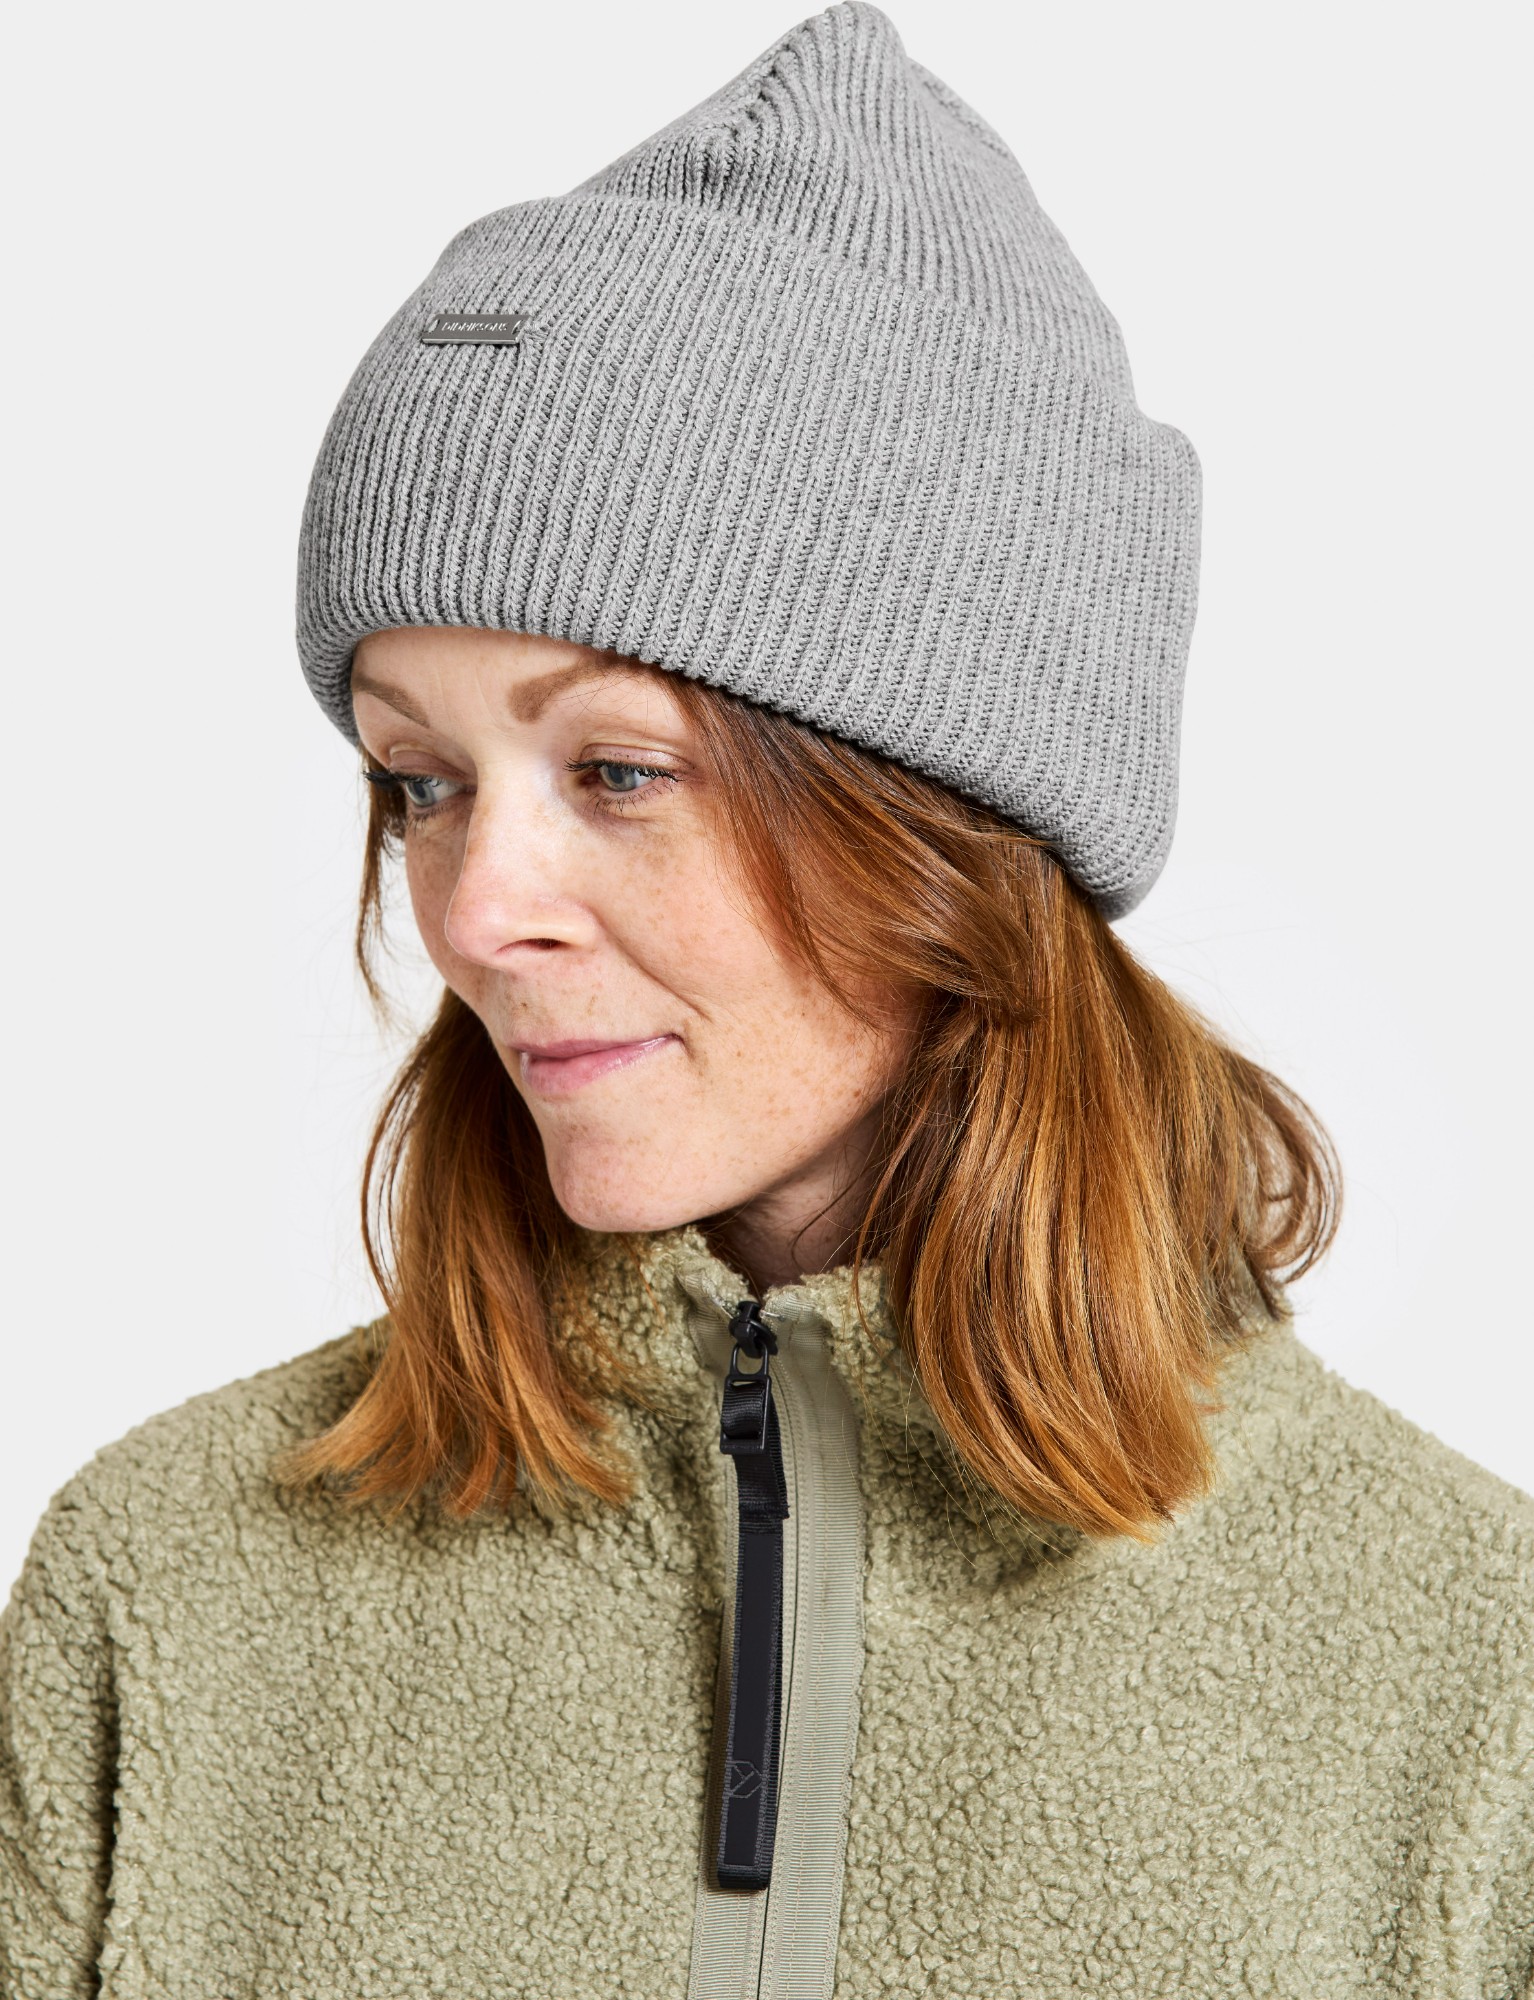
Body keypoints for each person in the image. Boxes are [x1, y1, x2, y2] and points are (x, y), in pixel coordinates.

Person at [3, 3, 1530, 1995]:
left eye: (617, 770)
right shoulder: (166, 1591)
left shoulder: (1463, 1676)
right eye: (419, 781)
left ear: (946, 826)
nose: (477, 910)